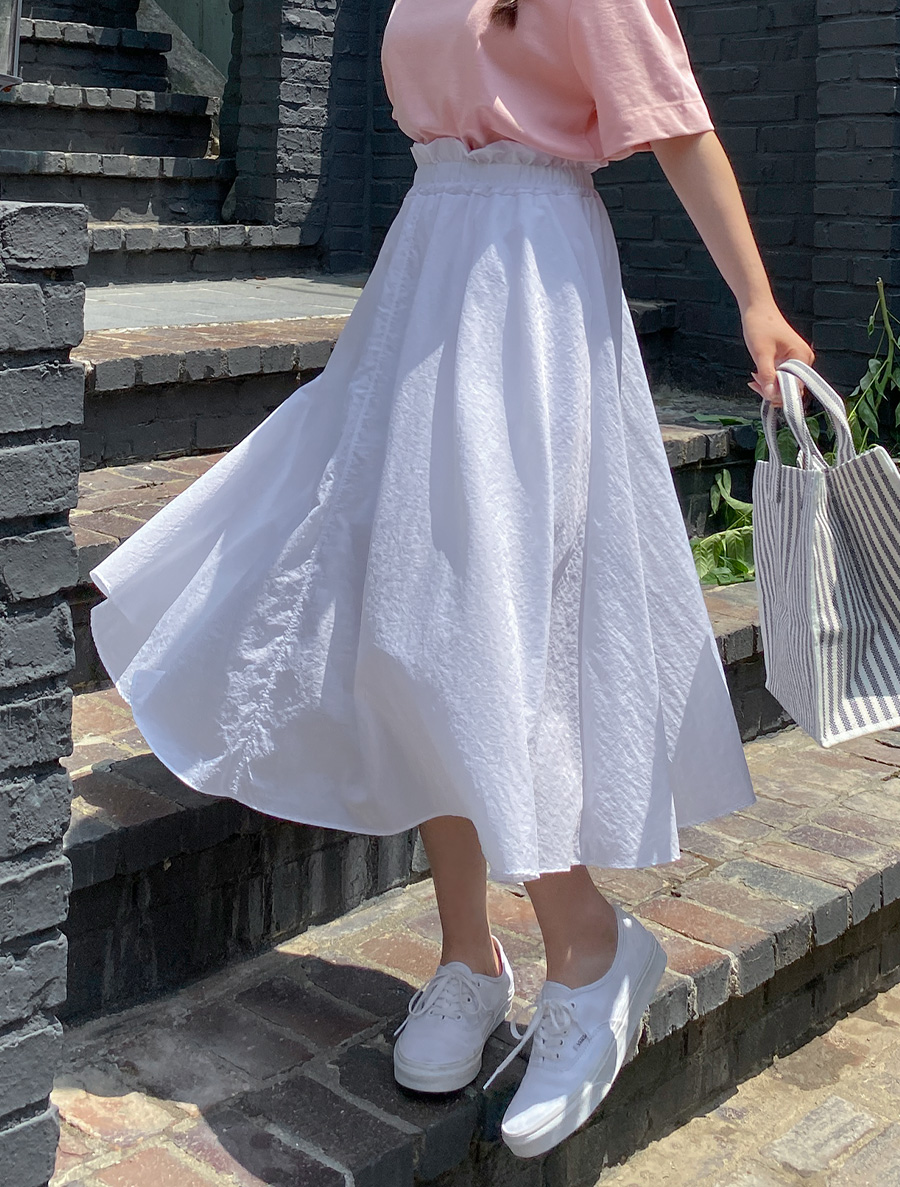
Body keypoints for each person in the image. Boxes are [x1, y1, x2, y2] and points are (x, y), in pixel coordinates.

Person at [90, 0, 815, 1160]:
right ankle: (468, 954)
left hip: (531, 283)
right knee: (408, 616)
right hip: (427, 273)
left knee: (482, 619)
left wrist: (757, 302)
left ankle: (588, 945)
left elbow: (678, 122)